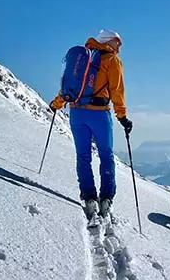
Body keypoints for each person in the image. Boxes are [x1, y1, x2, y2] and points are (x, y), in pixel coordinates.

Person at [50, 29, 133, 225]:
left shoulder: (83, 58)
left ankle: (88, 197)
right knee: (106, 154)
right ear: (108, 41)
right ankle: (106, 198)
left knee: (83, 156)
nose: (119, 45)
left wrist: (57, 103)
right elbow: (117, 90)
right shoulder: (112, 61)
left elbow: (70, 87)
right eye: (117, 41)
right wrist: (122, 116)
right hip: (99, 113)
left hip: (77, 112)